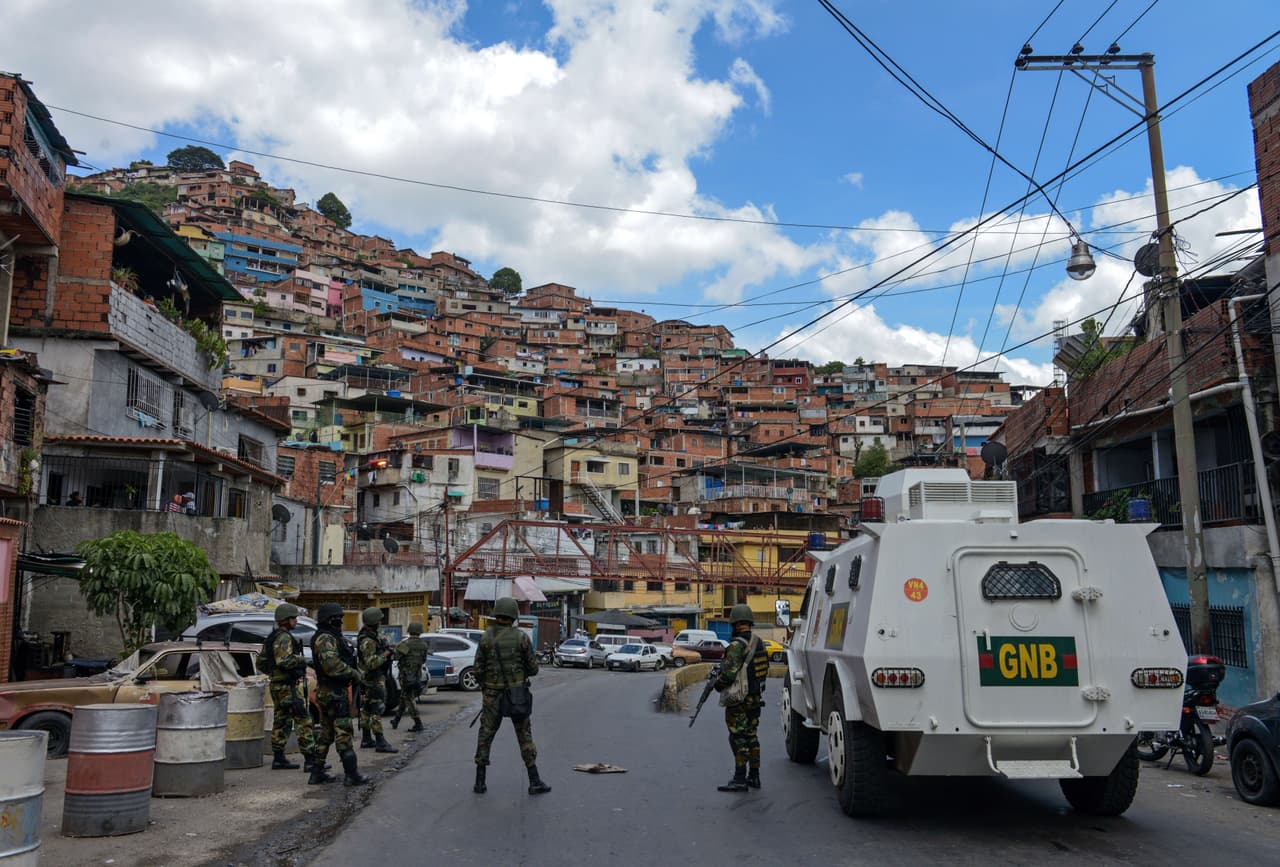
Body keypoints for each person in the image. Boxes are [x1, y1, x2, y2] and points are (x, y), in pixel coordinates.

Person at [473, 596, 550, 796]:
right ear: (514, 616)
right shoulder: (521, 638)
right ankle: (534, 780)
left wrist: (487, 686)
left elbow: (478, 669)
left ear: (497, 613)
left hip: (491, 695)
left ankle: (479, 782)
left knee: (486, 735)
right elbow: (533, 669)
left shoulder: (486, 637)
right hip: (516, 694)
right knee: (524, 736)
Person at [310, 602, 369, 786]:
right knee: (343, 732)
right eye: (339, 619)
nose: (341, 622)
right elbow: (331, 665)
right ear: (331, 619)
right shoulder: (326, 638)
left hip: (330, 691)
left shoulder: (330, 637)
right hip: (333, 692)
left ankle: (316, 772)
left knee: (326, 733)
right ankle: (352, 775)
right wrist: (354, 674)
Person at [713, 603, 770, 792]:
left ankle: (739, 779)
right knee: (752, 736)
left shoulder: (736, 646)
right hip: (755, 698)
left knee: (738, 738)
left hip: (740, 700)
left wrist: (717, 685)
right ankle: (755, 776)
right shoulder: (758, 641)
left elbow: (729, 675)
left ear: (735, 624)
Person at [262, 603, 324, 775]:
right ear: (286, 620)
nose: (296, 621)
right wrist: (301, 660)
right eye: (293, 618)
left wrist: (274, 674)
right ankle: (311, 761)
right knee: (303, 720)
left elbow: (261, 662)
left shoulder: (272, 637)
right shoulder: (284, 638)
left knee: (282, 720)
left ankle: (279, 758)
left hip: (277, 685)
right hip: (286, 687)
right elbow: (284, 660)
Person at [356, 607, 397, 753]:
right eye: (378, 620)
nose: (380, 622)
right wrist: (385, 654)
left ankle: (366, 739)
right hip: (373, 679)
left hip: (372, 678)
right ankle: (380, 741)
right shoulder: (367, 640)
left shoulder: (372, 636)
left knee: (367, 710)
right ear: (373, 621)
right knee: (376, 709)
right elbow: (371, 663)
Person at [391, 622, 429, 732]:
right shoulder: (424, 645)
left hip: (406, 675)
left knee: (408, 698)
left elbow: (396, 657)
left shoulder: (405, 644)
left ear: (410, 631)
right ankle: (396, 720)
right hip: (417, 675)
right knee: (405, 696)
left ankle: (418, 723)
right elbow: (424, 660)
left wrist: (397, 647)